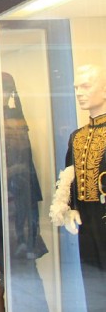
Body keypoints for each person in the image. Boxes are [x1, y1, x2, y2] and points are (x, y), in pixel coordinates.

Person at [0, 72, 48, 312]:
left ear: (0, 91)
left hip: (12, 208)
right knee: (7, 265)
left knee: (20, 267)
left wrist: (3, 205)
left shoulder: (9, 123)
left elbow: (16, 171)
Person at [50, 64, 106, 311]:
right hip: (86, 218)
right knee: (92, 279)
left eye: (86, 86)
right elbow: (69, 175)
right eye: (76, 88)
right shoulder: (77, 136)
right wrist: (70, 207)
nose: (79, 93)